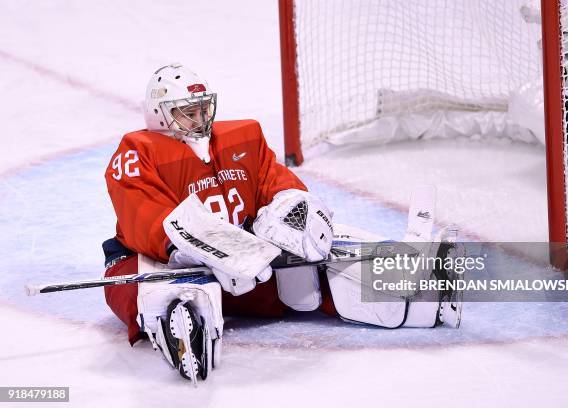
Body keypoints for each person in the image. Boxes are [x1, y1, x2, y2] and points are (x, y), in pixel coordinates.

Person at [102, 63, 461, 384]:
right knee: (149, 291)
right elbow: (144, 215)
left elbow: (276, 180)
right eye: (185, 112)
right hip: (163, 260)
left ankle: (423, 297)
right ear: (159, 115)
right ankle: (181, 324)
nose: (198, 119)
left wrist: (291, 209)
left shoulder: (242, 137)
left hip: (245, 265)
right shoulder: (138, 151)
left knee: (307, 280)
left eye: (202, 109)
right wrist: (202, 249)